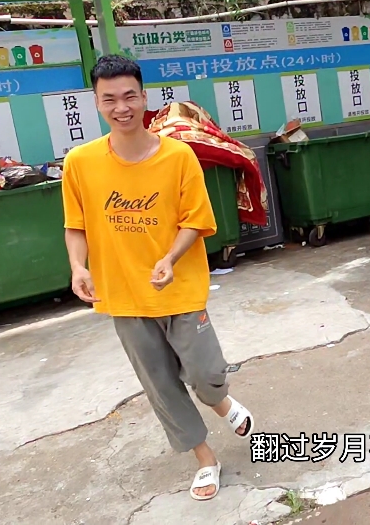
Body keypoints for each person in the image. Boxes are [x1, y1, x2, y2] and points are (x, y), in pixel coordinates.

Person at [62, 54, 254, 500]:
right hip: (122, 295)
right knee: (161, 385)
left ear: (145, 98)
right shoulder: (80, 162)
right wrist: (78, 266)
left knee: (206, 374)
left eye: (130, 96)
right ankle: (205, 459)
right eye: (109, 99)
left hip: (180, 287)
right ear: (96, 103)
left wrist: (170, 257)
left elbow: (196, 219)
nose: (121, 107)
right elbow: (77, 224)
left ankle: (221, 401)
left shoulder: (177, 155)